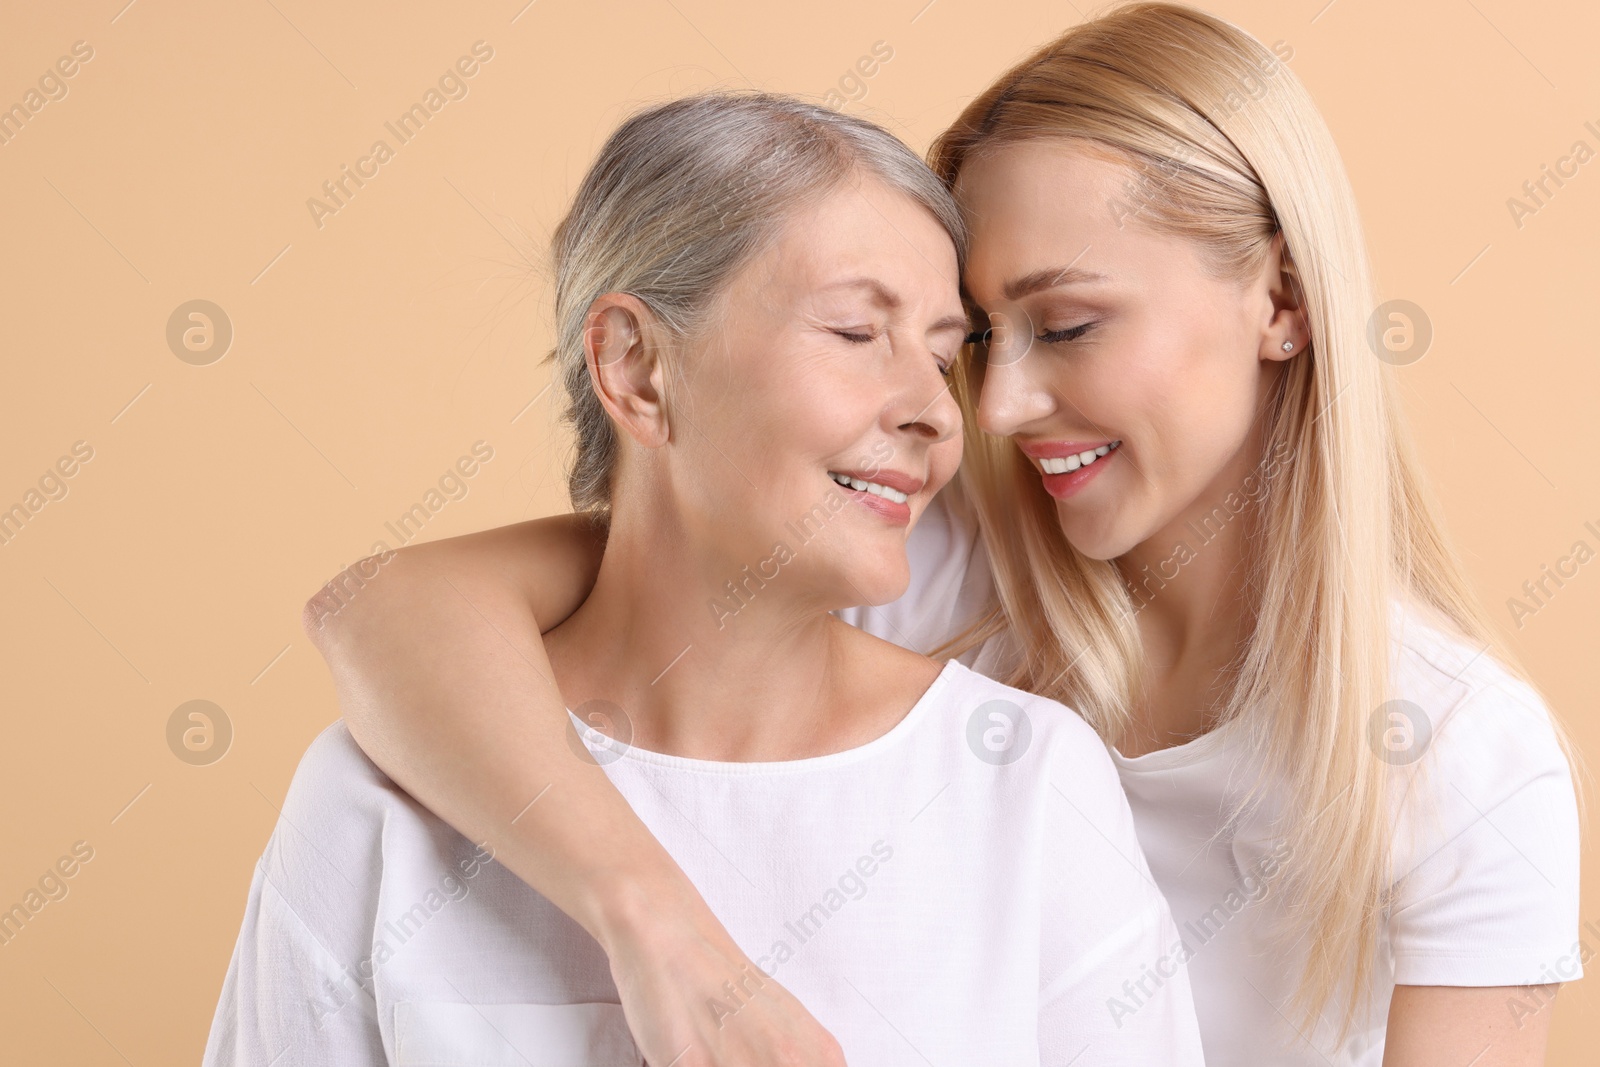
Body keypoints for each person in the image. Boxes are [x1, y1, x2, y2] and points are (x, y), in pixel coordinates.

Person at [301, 4, 1585, 1065]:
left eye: (1068, 325)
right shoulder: (921, 559)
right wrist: (661, 933)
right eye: (973, 341)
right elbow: (389, 611)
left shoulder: (1456, 752)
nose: (996, 405)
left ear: (1283, 304)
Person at [203, 91, 1204, 1066]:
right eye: (857, 333)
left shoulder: (1023, 782)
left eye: (943, 357)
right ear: (637, 368)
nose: (937, 412)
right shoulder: (381, 794)